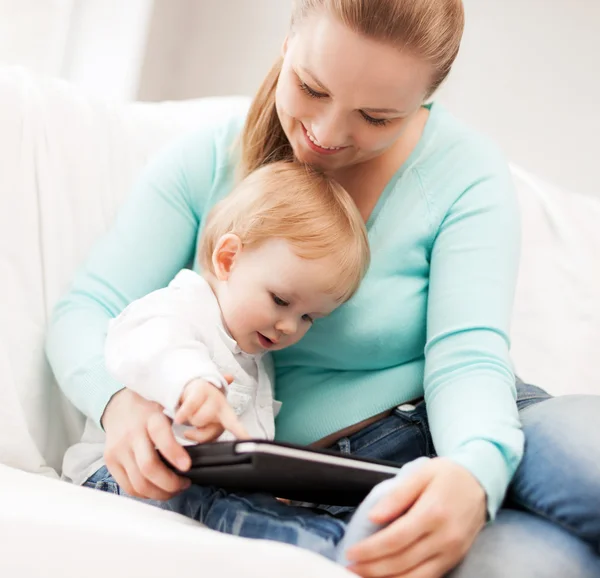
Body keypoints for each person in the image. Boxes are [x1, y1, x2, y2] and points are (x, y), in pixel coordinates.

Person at [46, 0, 600, 576]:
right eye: (311, 87)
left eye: (377, 117)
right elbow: (88, 311)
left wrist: (475, 469)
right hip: (336, 484)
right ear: (288, 41)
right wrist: (120, 404)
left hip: (487, 421)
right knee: (544, 566)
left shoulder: (464, 171)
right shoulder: (205, 163)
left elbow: (467, 356)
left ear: (426, 100)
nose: (327, 134)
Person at [62, 160, 370, 489]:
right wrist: (193, 383)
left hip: (194, 480)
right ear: (227, 259)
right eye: (280, 301)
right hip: (119, 471)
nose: (290, 327)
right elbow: (149, 343)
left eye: (308, 317)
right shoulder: (180, 307)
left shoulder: (253, 356)